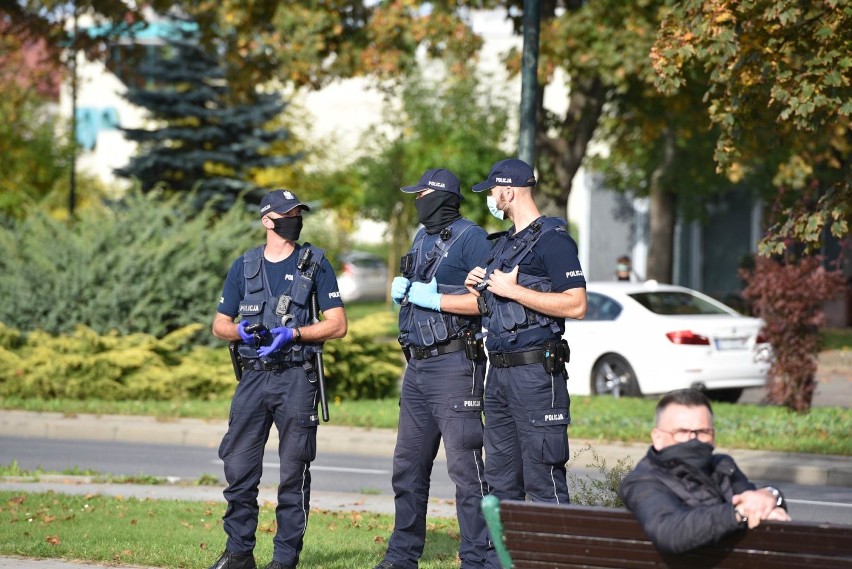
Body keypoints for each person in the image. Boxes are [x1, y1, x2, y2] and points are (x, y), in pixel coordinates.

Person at [208, 189, 348, 569]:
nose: (295, 219)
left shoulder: (315, 263)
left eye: (298, 213)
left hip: (296, 377)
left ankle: (284, 560)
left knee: (293, 472)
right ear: (267, 220)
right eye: (288, 213)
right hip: (253, 377)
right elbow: (220, 324)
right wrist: (241, 332)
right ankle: (238, 553)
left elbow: (338, 325)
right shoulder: (245, 264)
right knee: (238, 468)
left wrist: (295, 334)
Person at [373, 168, 498, 569]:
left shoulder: (472, 238)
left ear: (442, 196)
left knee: (465, 470)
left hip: (455, 363)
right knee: (407, 466)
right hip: (418, 367)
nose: (417, 200)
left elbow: (485, 303)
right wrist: (410, 295)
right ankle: (401, 556)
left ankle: (478, 559)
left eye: (422, 193)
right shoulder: (423, 236)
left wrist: (430, 297)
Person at [458, 158, 587, 504]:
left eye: (492, 192)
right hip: (498, 374)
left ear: (508, 191)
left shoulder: (554, 241)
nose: (490, 198)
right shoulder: (503, 245)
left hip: (535, 374)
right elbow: (497, 300)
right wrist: (479, 287)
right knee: (500, 482)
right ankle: (503, 559)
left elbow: (576, 304)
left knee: (543, 479)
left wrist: (512, 290)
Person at [619, 389, 791, 555]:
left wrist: (769, 496)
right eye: (682, 432)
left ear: (713, 436)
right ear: (657, 438)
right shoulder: (642, 481)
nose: (693, 440)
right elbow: (670, 532)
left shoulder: (723, 466)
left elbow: (751, 500)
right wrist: (738, 513)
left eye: (702, 432)